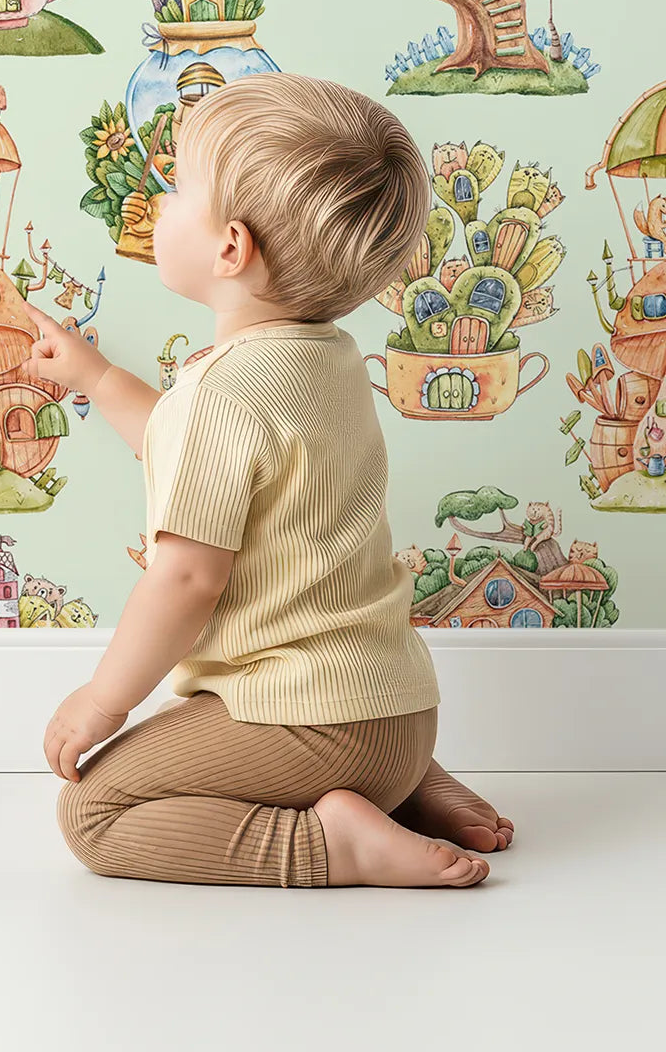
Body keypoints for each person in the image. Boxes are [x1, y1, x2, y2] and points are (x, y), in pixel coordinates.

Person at [27, 74, 512, 890]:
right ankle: (402, 789)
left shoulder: (220, 395)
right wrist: (99, 377)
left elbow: (185, 576)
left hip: (307, 724)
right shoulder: (325, 363)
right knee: (346, 734)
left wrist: (103, 702)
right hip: (401, 713)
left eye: (179, 190)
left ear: (231, 248)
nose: (161, 202)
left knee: (95, 816)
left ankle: (338, 846)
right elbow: (192, 458)